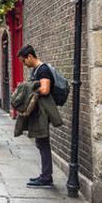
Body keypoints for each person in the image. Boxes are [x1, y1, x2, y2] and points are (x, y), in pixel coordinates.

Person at [18, 44, 62, 188]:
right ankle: (45, 175)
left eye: (24, 61)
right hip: (40, 110)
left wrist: (28, 88)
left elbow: (45, 89)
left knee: (43, 143)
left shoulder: (42, 70)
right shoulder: (37, 70)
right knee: (41, 143)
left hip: (43, 111)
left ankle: (46, 178)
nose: (24, 65)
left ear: (30, 56)